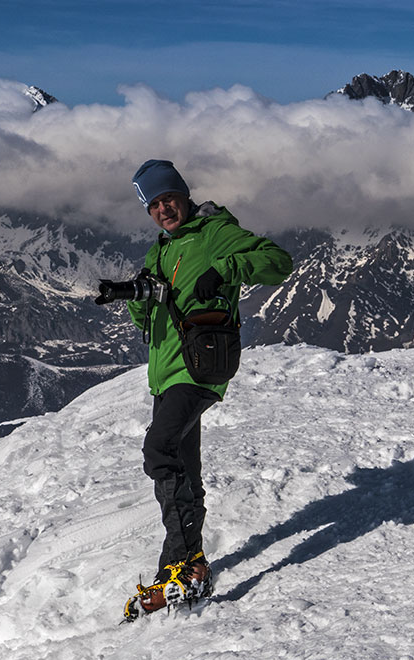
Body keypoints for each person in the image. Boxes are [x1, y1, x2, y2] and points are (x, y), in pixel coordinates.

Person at [124, 159, 293, 616]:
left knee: (160, 449)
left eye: (169, 199)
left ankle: (189, 563)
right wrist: (137, 298)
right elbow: (151, 322)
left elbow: (278, 262)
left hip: (199, 367)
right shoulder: (158, 252)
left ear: (183, 194)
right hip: (165, 373)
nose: (164, 209)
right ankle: (176, 570)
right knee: (183, 467)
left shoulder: (214, 231)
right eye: (155, 205)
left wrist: (225, 272)